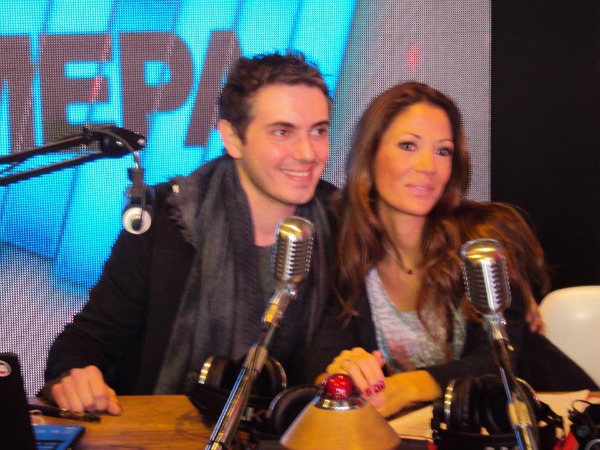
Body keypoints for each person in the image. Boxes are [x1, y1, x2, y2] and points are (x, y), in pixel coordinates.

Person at [42, 52, 336, 415]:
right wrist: (74, 375)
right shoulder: (167, 220)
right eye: (282, 132)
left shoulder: (345, 224)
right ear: (232, 138)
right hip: (161, 432)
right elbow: (86, 341)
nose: (308, 153)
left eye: (319, 131)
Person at [306, 81, 597, 418]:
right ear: (369, 154)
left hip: (551, 420)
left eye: (443, 151)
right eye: (408, 145)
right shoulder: (344, 245)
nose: (428, 166)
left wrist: (404, 388)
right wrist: (343, 371)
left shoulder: (484, 240)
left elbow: (496, 361)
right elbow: (322, 356)